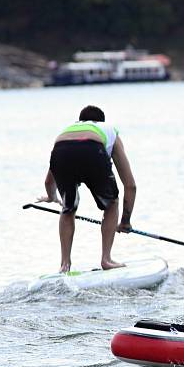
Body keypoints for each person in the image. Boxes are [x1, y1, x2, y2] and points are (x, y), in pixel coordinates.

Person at [37, 105, 137, 272]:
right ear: (100, 121)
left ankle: (65, 265)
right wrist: (125, 221)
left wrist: (51, 197)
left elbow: (49, 182)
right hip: (92, 151)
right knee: (111, 203)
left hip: (61, 152)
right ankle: (106, 259)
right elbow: (130, 185)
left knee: (68, 209)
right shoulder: (108, 130)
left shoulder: (67, 132)